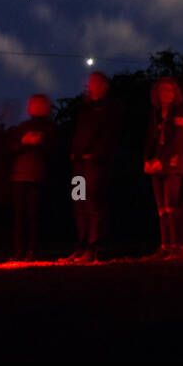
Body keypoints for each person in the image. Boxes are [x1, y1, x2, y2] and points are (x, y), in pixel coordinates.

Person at [68, 72, 122, 263]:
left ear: (103, 86)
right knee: (79, 203)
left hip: (94, 164)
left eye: (94, 83)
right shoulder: (86, 109)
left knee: (93, 205)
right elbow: (78, 134)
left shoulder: (109, 108)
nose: (89, 86)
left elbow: (110, 135)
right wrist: (74, 154)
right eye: (89, 83)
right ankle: (81, 246)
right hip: (79, 165)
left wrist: (96, 154)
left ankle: (94, 247)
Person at [145, 78, 183, 258]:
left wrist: (162, 160)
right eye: (162, 91)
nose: (166, 94)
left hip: (172, 164)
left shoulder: (179, 112)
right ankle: (164, 246)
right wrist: (147, 160)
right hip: (156, 166)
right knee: (161, 208)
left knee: (171, 206)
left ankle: (176, 247)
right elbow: (149, 139)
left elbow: (177, 140)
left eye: (170, 91)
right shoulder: (155, 113)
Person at [8, 94, 53, 261]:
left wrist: (40, 142)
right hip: (19, 176)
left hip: (36, 176)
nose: (33, 106)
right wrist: (23, 142)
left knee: (34, 215)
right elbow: (10, 148)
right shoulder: (23, 127)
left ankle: (33, 250)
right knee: (19, 217)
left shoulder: (49, 128)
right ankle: (19, 251)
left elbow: (54, 150)